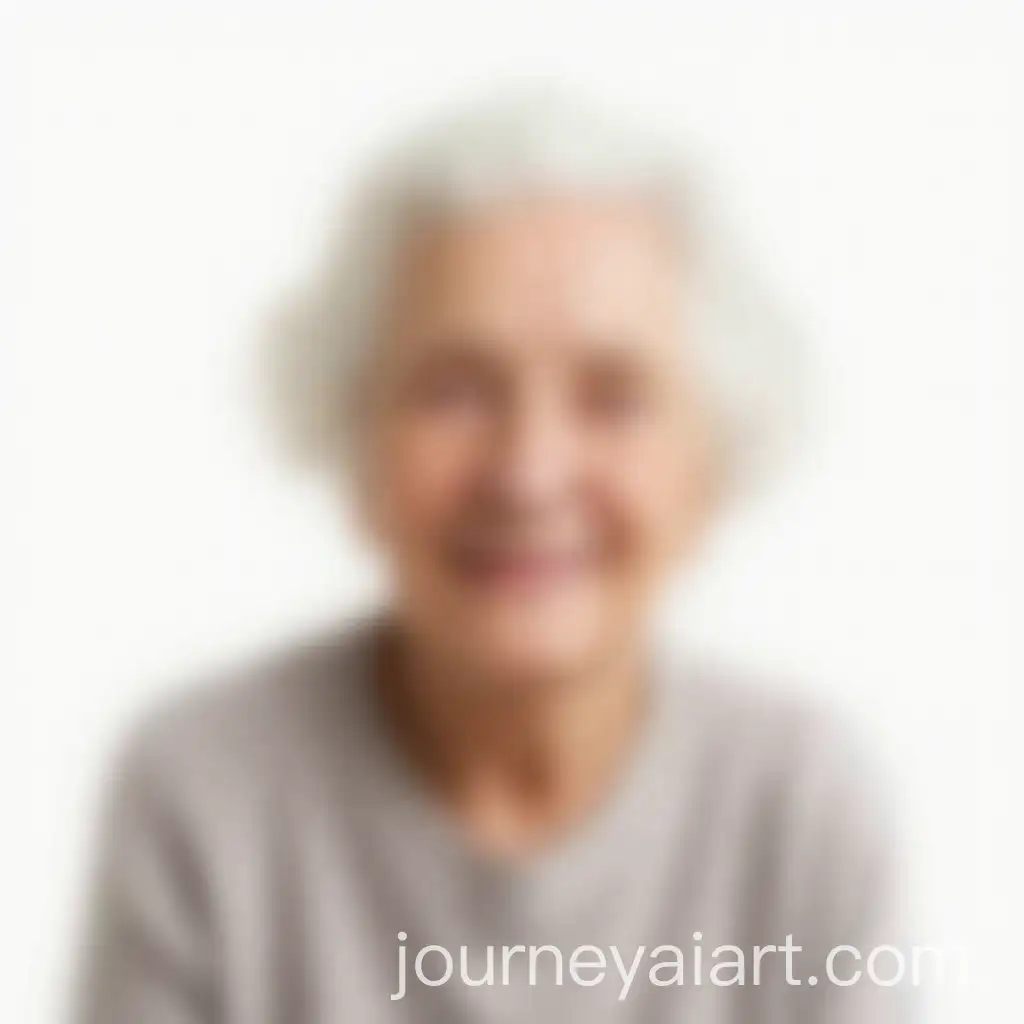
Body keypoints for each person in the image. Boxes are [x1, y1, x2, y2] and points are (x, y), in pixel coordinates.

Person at [76, 93, 911, 1023]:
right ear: (355, 437)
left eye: (612, 396)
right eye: (455, 390)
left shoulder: (800, 803)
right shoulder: (203, 790)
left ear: (709, 462)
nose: (529, 472)